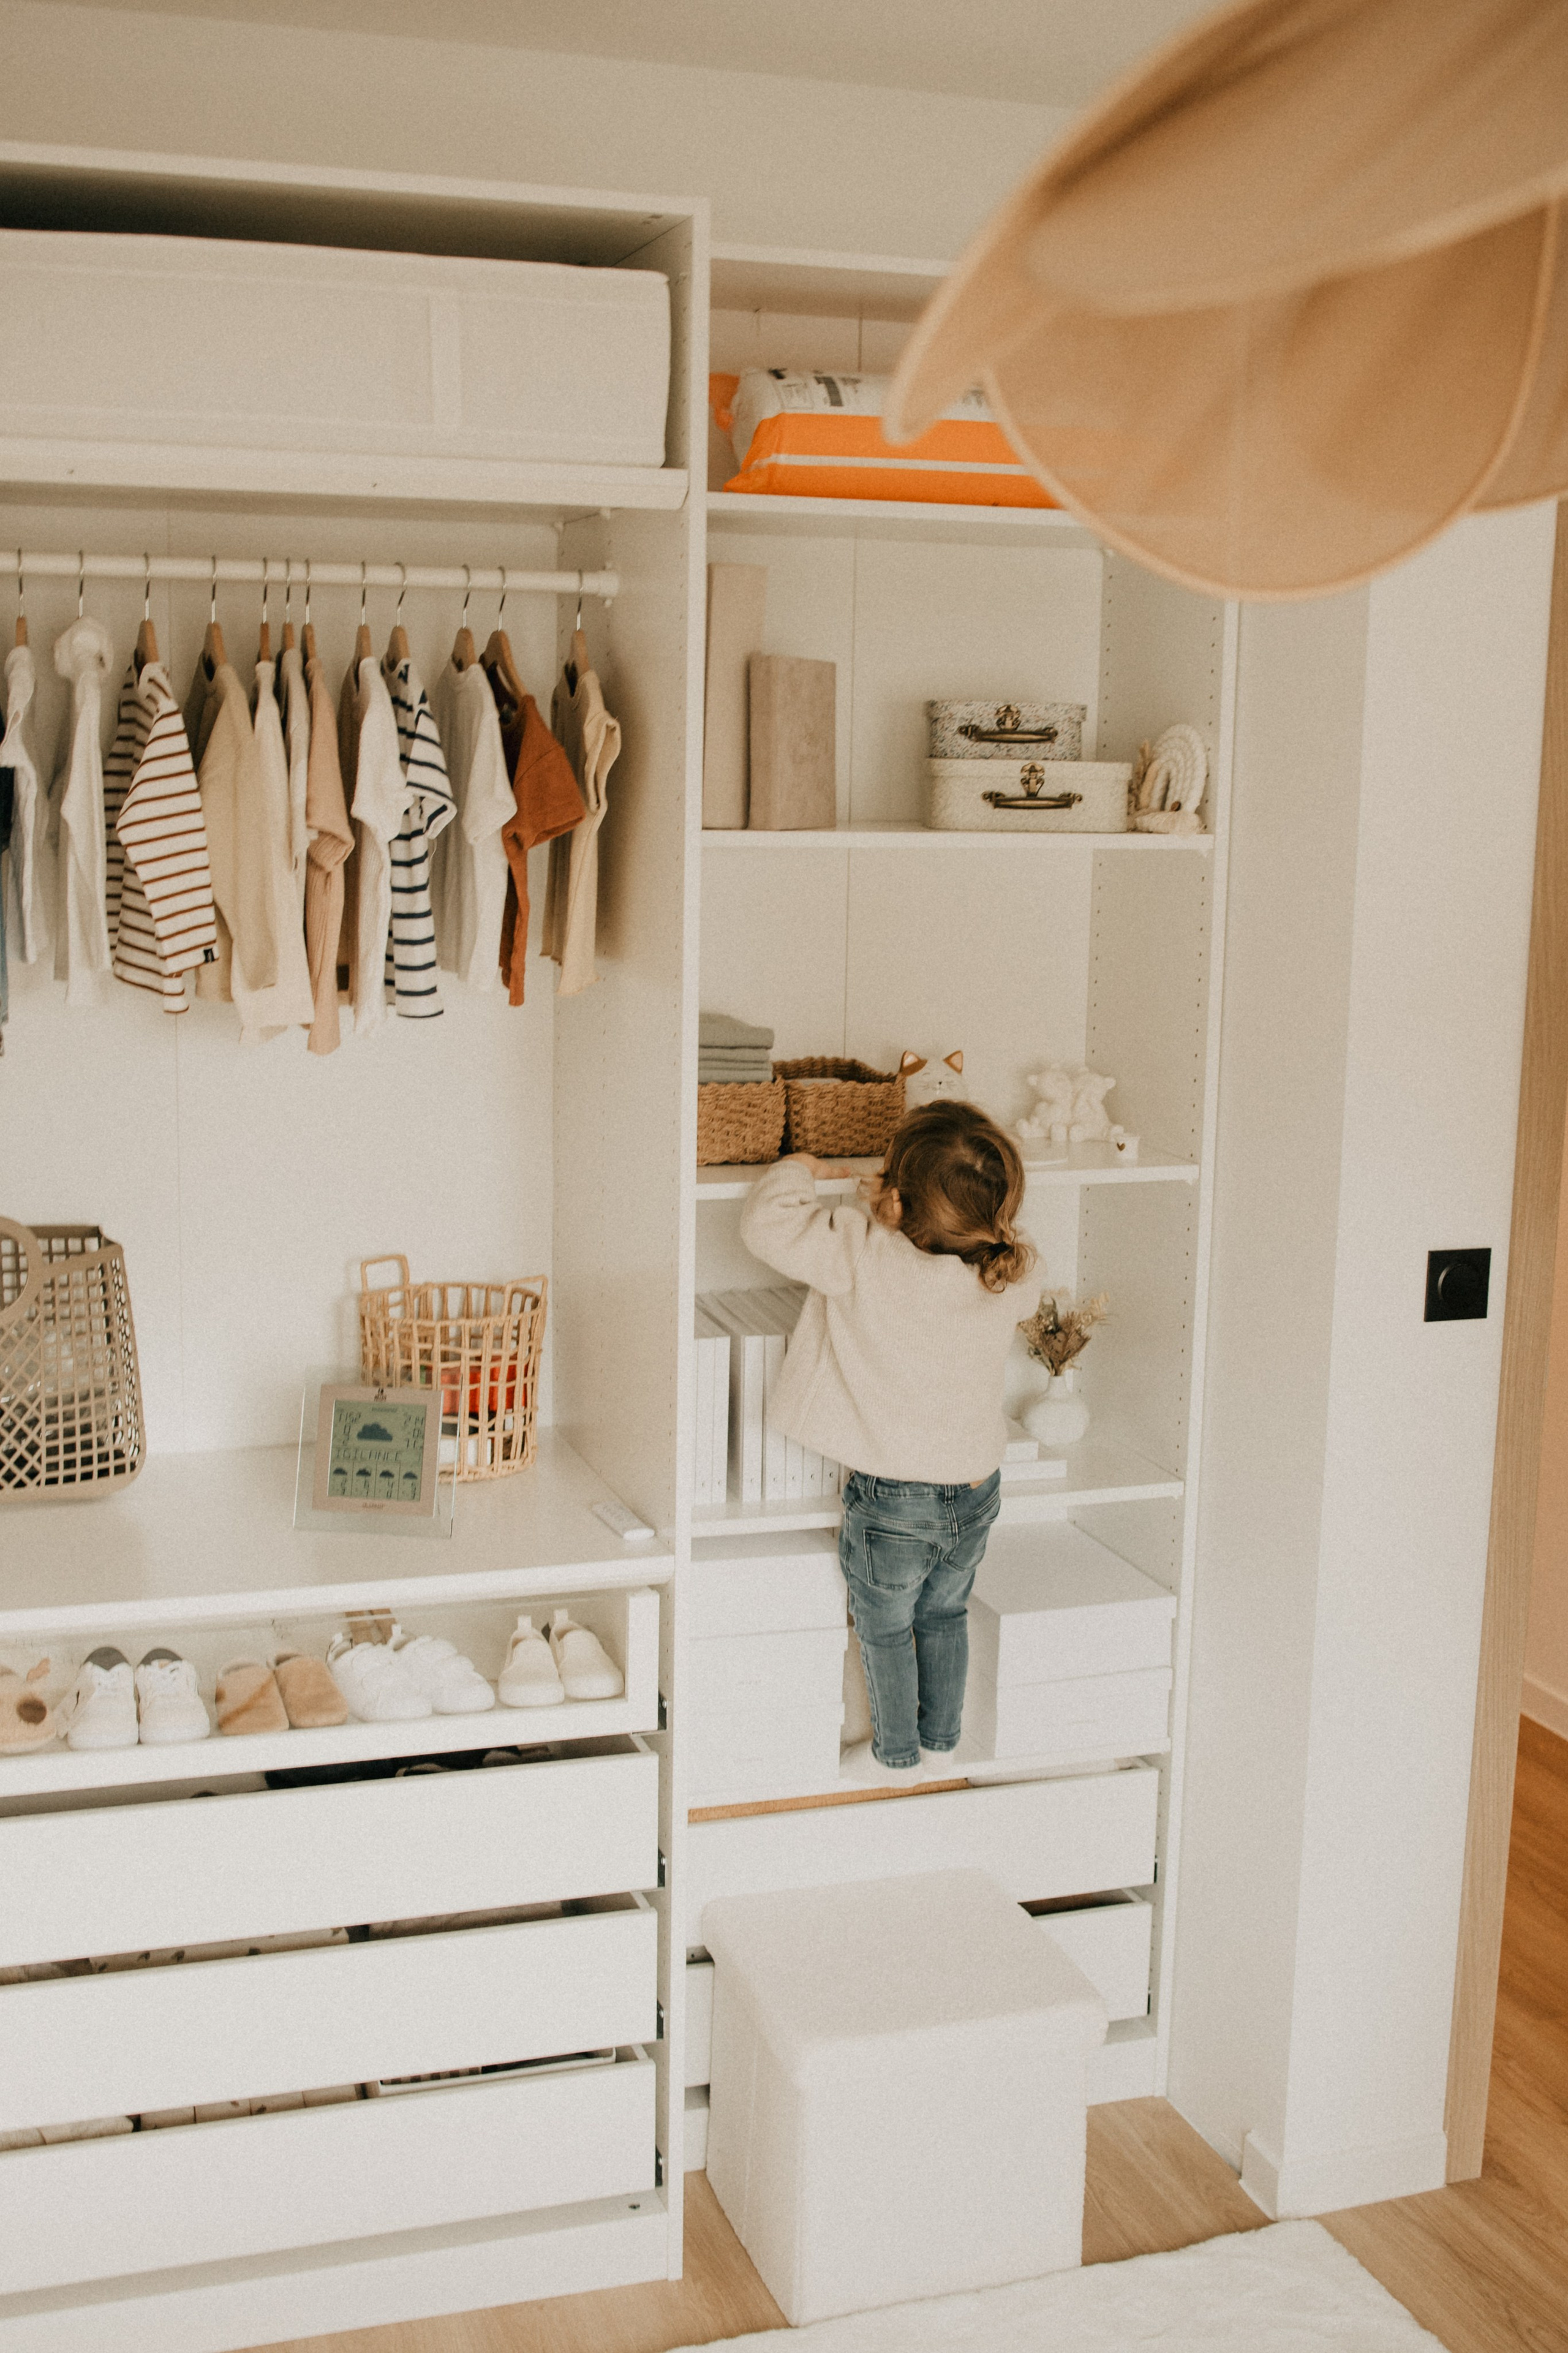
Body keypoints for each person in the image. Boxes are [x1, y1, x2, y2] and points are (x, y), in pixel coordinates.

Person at [739, 1100, 1038, 1779]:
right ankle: (941, 1742)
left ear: (895, 1201)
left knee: (883, 1628)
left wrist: (799, 1169)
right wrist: (902, 1208)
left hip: (896, 1497)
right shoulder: (1009, 1269)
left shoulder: (861, 1249)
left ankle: (894, 1754)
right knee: (944, 1615)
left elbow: (765, 1225)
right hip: (976, 1486)